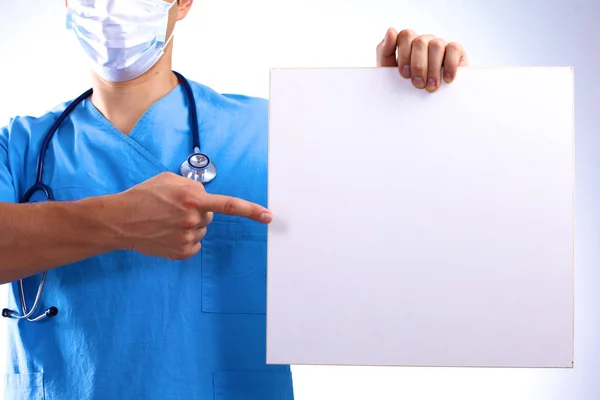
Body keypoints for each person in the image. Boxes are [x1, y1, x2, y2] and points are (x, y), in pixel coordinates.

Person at [0, 0, 469, 399]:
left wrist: (400, 112)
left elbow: (403, 241)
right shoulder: (19, 147)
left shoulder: (275, 133)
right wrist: (121, 220)